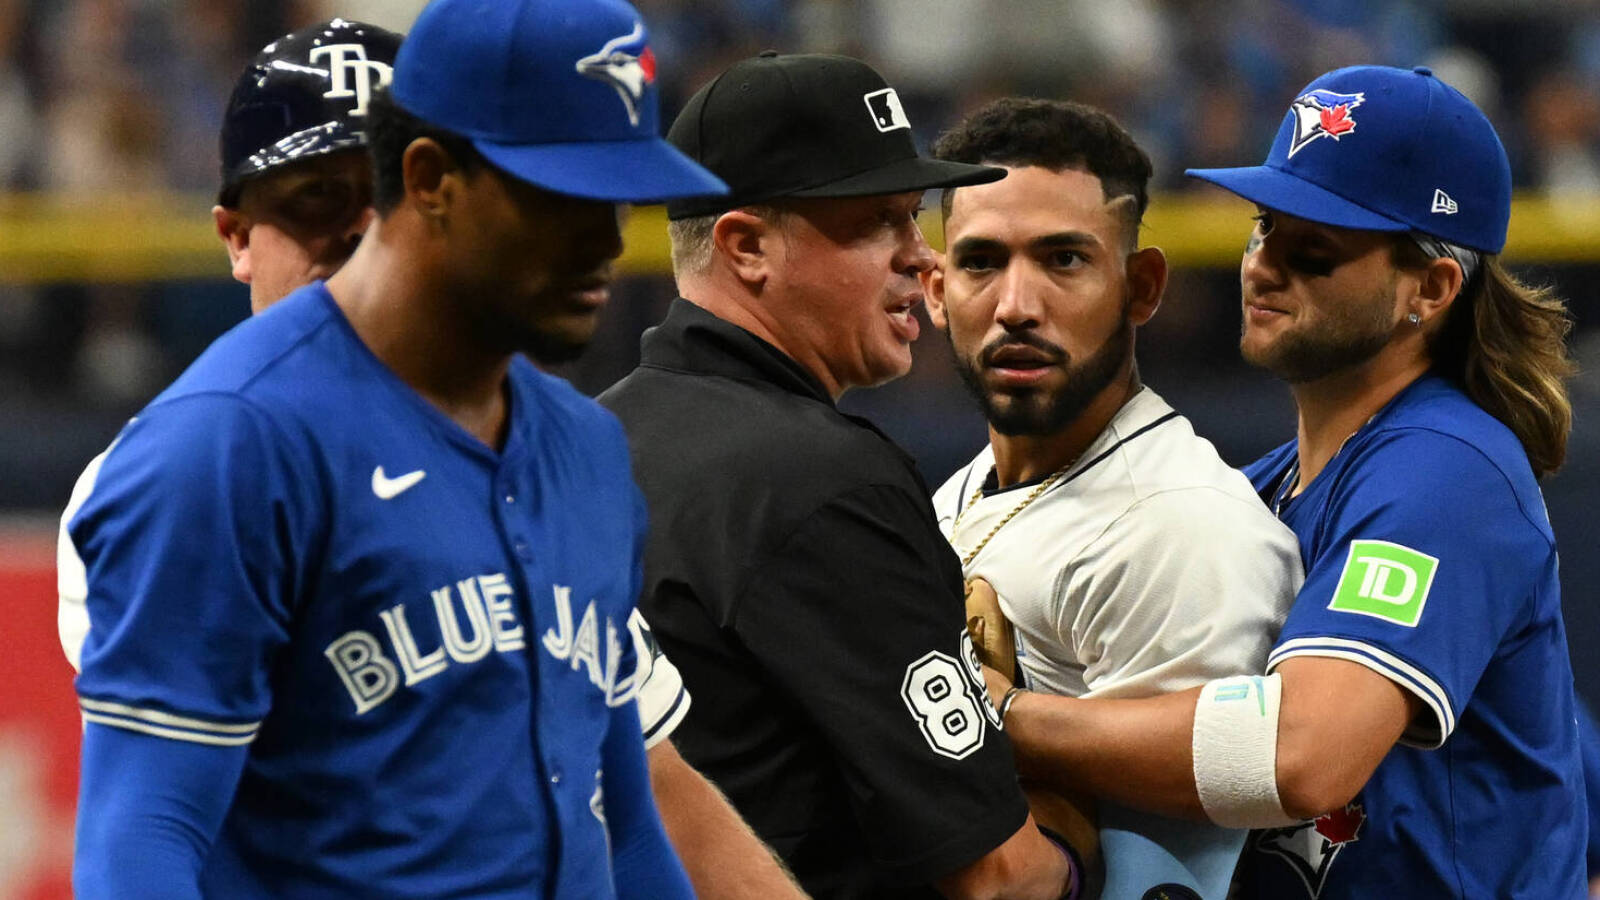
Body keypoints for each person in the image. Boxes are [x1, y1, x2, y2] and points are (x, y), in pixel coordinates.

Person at [56, 14, 806, 899]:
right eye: (558, 197)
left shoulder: (584, 447)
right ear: (431, 183)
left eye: (615, 200)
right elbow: (142, 841)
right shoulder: (218, 449)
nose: (606, 245)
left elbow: (632, 817)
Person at [986, 65, 1586, 897]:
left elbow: (1305, 759)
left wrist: (1002, 720)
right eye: (1266, 227)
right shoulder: (1267, 487)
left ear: (1433, 287)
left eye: (1315, 251)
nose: (1265, 267)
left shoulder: (1447, 472)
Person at [600, 52, 1076, 900]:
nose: (921, 259)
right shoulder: (823, 480)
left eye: (915, 218)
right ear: (746, 246)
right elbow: (997, 878)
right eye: (877, 223)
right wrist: (1090, 847)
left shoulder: (588, 439)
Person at [922, 97, 1303, 899]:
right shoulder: (960, 492)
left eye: (1063, 260)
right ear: (934, 287)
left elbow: (1174, 877)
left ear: (1142, 286)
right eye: (981, 262)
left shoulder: (1181, 528)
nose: (1016, 305)